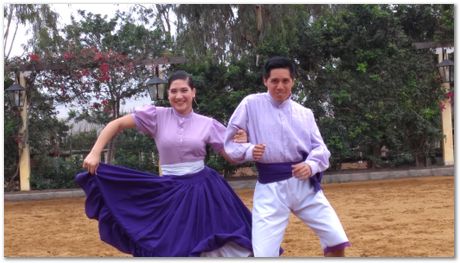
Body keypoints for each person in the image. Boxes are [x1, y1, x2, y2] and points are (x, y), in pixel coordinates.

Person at [75, 70, 253, 257]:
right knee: (169, 245)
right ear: (167, 94)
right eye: (173, 91)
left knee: (210, 243)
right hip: (169, 190)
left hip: (204, 190)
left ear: (193, 92)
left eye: (184, 90)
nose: (179, 96)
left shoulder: (208, 124)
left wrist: (242, 144)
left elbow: (232, 157)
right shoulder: (156, 116)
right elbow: (116, 125)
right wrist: (95, 153)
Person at [224, 56, 350, 257]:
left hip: (304, 186)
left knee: (336, 240)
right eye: (274, 81)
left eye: (285, 81)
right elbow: (228, 142)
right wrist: (249, 150)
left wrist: (310, 165)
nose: (280, 86)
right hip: (269, 190)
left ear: (293, 81)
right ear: (265, 81)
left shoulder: (305, 113)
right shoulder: (250, 104)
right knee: (264, 254)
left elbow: (321, 149)